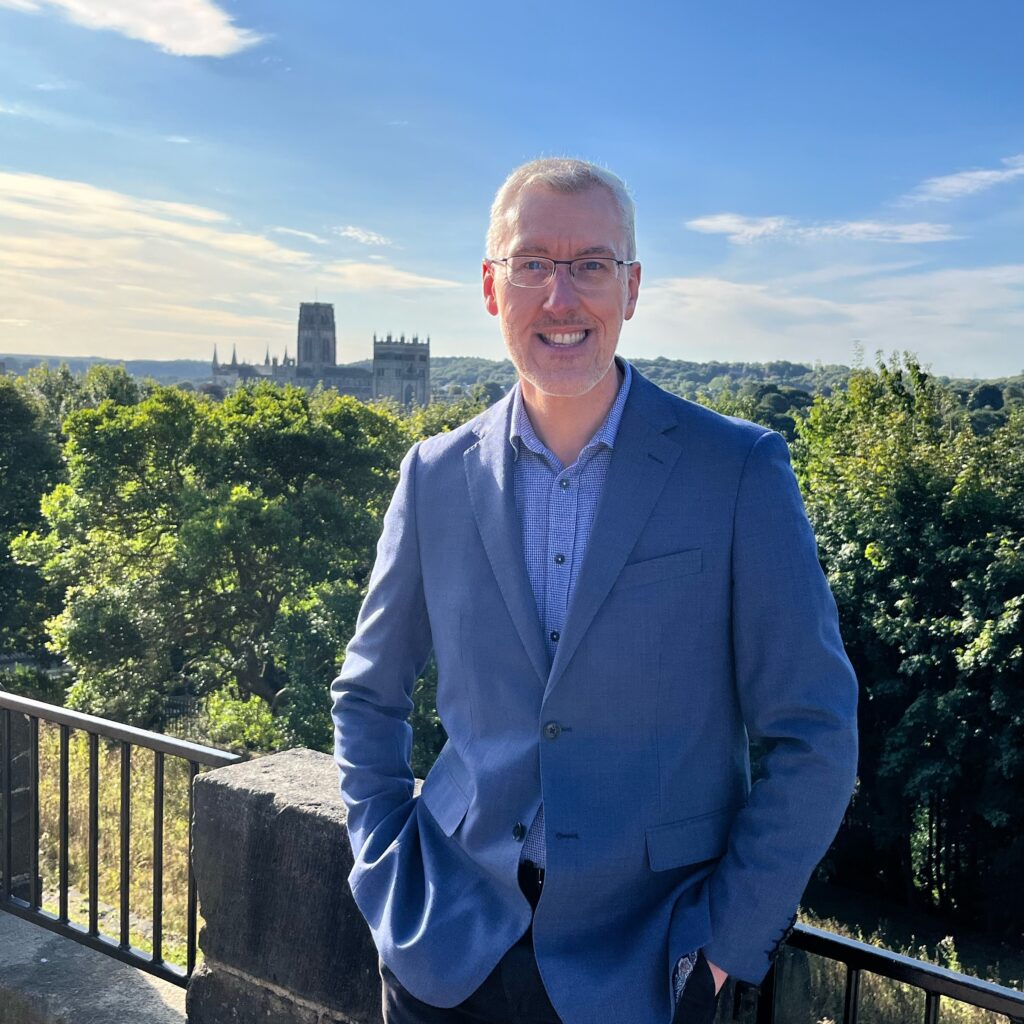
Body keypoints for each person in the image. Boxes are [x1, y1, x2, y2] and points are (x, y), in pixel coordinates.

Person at [331, 158, 858, 1024]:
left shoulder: (737, 471)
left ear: (633, 287)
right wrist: (386, 865)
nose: (561, 296)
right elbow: (368, 691)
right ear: (492, 290)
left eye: (591, 265)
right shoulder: (432, 475)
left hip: (648, 964)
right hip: (446, 947)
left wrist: (725, 948)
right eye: (532, 263)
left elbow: (815, 732)